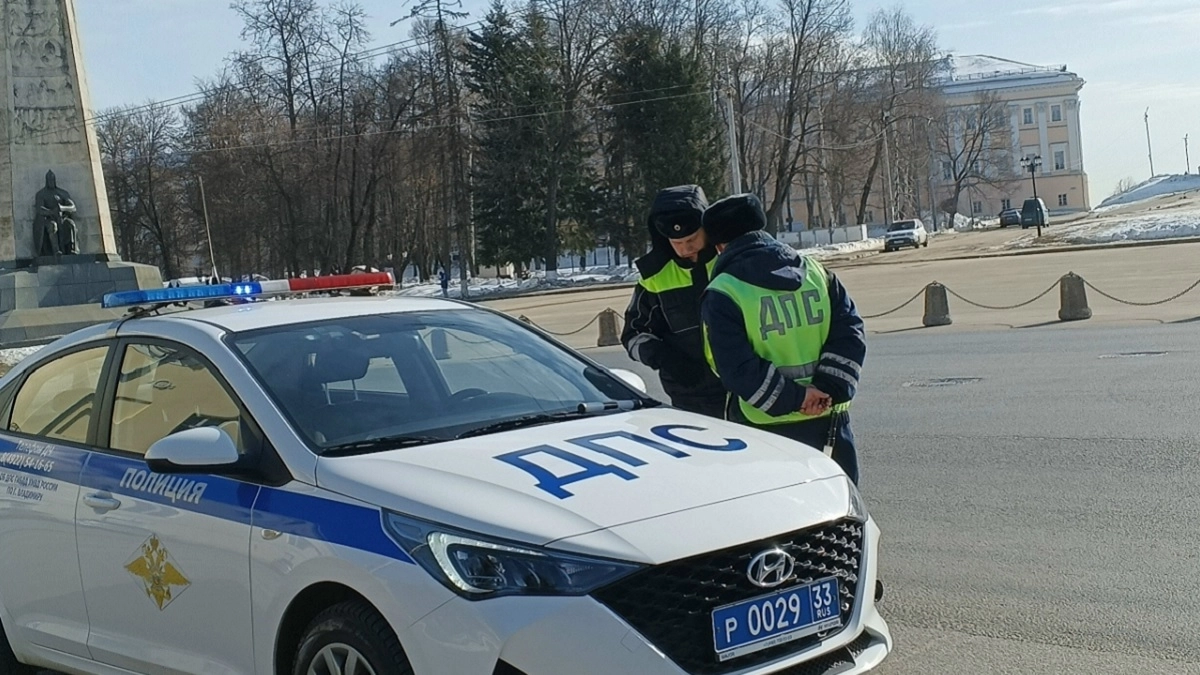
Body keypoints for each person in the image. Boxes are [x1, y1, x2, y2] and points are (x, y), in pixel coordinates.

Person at [699, 193, 866, 484]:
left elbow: (730, 365)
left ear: (719, 246)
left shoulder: (723, 291)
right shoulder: (816, 272)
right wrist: (826, 388)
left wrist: (796, 398)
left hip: (764, 427)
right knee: (841, 514)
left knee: (780, 517)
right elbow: (850, 331)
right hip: (829, 421)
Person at [620, 185, 726, 418]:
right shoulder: (655, 278)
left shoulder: (729, 262)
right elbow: (633, 336)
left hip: (740, 391)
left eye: (692, 239)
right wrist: (665, 359)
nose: (685, 249)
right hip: (689, 397)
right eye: (676, 242)